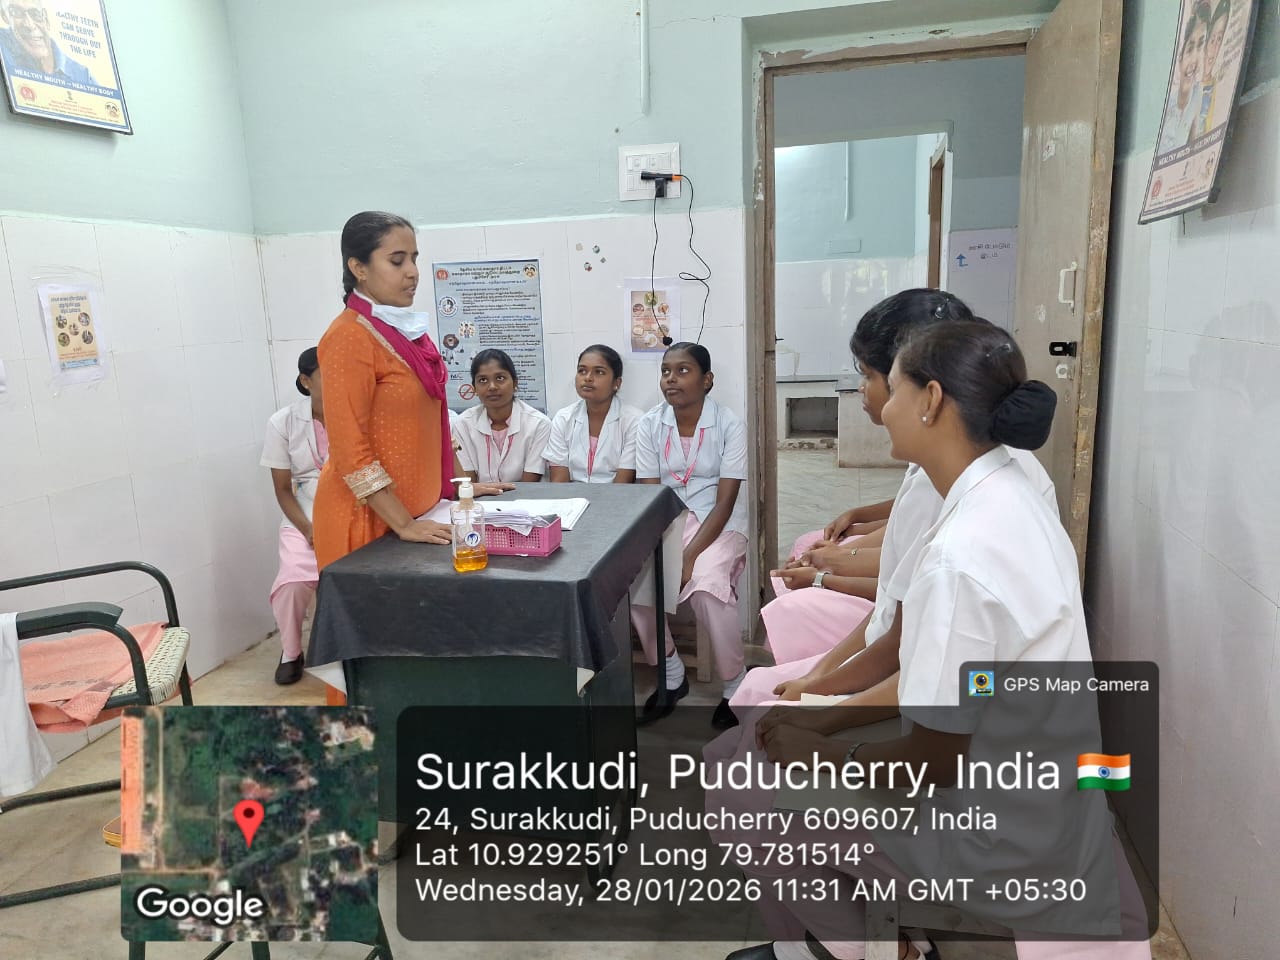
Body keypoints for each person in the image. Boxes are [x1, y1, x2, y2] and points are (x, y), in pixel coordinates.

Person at [725, 322, 1151, 960]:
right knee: (772, 747)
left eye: (892, 388)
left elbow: (936, 758)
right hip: (1045, 791)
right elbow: (961, 680)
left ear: (930, 400)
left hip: (996, 835)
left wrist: (825, 750)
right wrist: (827, 713)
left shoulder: (961, 558)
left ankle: (869, 950)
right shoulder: (1009, 490)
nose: (882, 406)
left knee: (746, 794)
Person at [758, 291, 976, 667]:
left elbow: (899, 614)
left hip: (910, 652)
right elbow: (902, 531)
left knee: (771, 660)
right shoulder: (946, 460)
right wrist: (852, 530)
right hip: (901, 637)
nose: (863, 387)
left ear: (929, 394)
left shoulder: (963, 495)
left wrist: (827, 571)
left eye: (871, 376)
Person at [313, 211, 510, 570]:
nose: (412, 272)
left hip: (421, 514)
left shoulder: (406, 331)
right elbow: (348, 448)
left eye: (414, 258)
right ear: (358, 267)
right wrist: (403, 523)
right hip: (369, 522)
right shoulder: (349, 337)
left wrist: (457, 485)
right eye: (397, 260)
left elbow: (431, 421)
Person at [632, 342, 749, 730]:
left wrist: (686, 558)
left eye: (683, 371)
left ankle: (736, 685)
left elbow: (725, 502)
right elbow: (650, 495)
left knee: (707, 588)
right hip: (667, 521)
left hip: (719, 524)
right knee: (636, 583)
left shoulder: (729, 425)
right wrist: (661, 552)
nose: (671, 379)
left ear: (707, 379)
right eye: (666, 371)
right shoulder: (650, 424)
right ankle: (670, 673)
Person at [260, 348, 327, 685]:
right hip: (304, 513)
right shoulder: (283, 422)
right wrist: (308, 529)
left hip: (355, 509)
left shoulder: (356, 414)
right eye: (328, 374)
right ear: (306, 380)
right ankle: (291, 651)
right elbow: (283, 489)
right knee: (293, 582)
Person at [545, 344, 641, 483]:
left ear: (617, 383)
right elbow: (559, 482)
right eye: (582, 371)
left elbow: (623, 483)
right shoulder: (563, 418)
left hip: (616, 495)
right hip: (570, 496)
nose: (588, 378)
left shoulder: (634, 421)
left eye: (599, 372)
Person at [454, 348, 552, 483]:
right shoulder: (462, 424)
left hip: (525, 495)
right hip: (477, 497)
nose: (492, 387)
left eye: (500, 378)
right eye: (483, 380)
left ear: (515, 383)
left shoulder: (539, 424)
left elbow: (529, 485)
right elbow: (468, 485)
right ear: (474, 388)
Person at [1157, 1, 1211, 155]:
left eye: (1200, 46)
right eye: (1190, 48)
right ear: (1179, 58)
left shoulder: (1197, 94)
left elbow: (1193, 145)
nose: (1194, 59)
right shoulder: (1166, 100)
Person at [0, 2, 95, 85]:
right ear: (5, 17)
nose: (29, 25)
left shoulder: (82, 76)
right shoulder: (3, 45)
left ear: (46, 19)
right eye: (16, 13)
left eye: (35, 14)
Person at [1194, 0, 1232, 137]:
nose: (1214, 48)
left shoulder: (1217, 88)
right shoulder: (1192, 88)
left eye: (1219, 39)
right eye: (1212, 39)